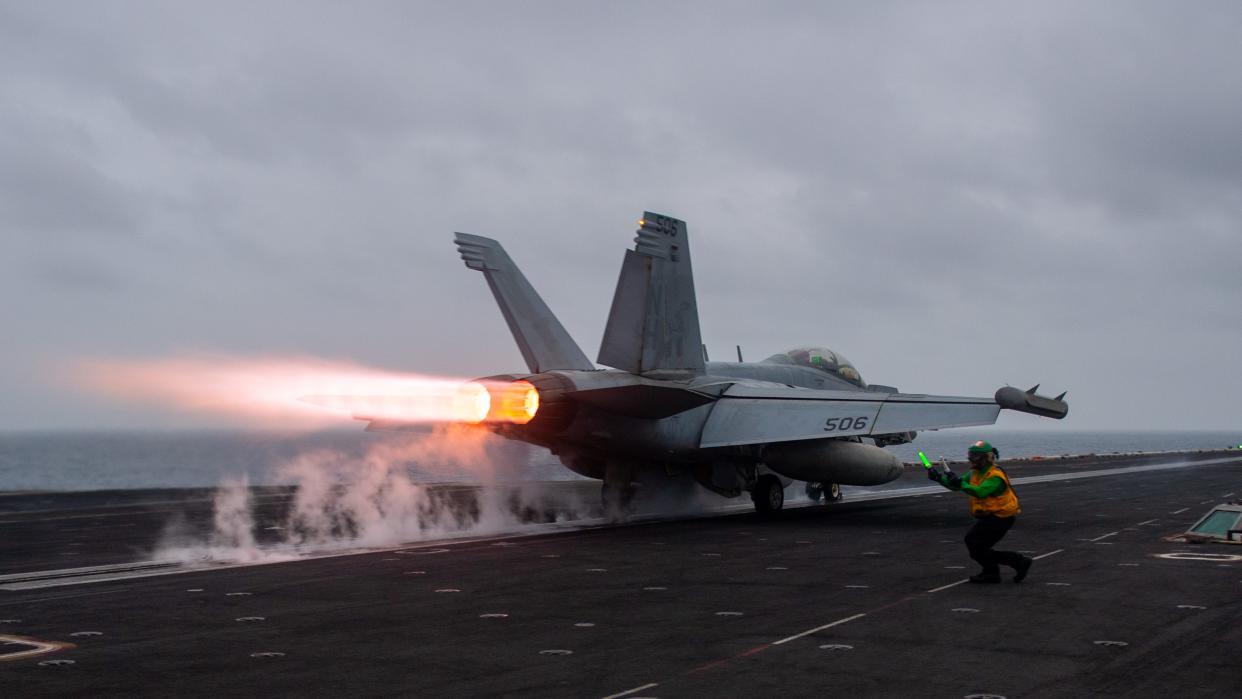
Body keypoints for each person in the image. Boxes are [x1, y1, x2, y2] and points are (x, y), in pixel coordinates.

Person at [928, 440, 1033, 583]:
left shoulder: (995, 476)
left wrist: (959, 482)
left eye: (976, 455)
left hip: (1002, 517)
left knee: (975, 544)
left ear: (987, 458)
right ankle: (1004, 568)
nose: (971, 458)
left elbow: (980, 492)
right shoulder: (974, 473)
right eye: (971, 454)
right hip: (991, 516)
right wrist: (939, 478)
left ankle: (1009, 565)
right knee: (978, 546)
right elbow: (957, 486)